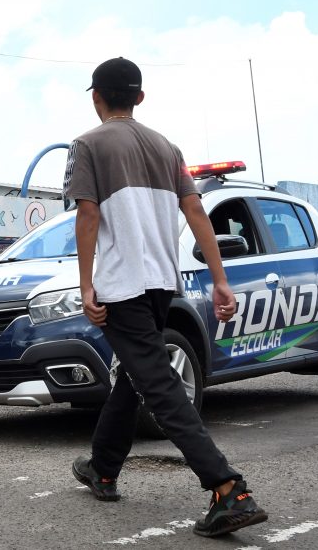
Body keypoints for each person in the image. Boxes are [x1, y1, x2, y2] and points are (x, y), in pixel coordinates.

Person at [64, 57, 266, 537]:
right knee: (137, 375)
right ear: (140, 97)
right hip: (160, 282)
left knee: (157, 383)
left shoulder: (87, 145)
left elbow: (88, 216)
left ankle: (227, 488)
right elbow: (196, 210)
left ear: (96, 97)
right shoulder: (166, 146)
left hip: (122, 286)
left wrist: (86, 283)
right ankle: (102, 467)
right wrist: (219, 279)